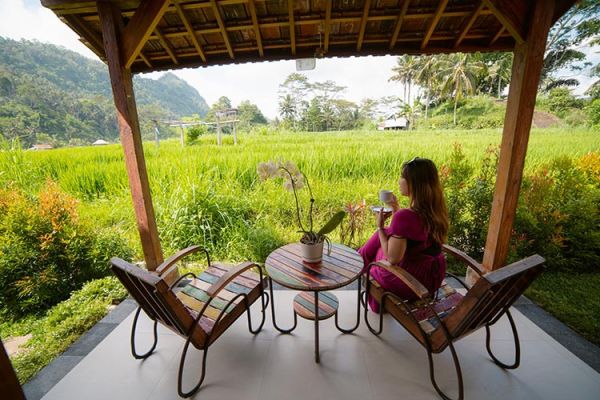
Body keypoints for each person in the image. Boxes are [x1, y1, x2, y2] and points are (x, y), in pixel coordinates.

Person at [358, 157, 449, 313]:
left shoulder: (406, 216)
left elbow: (393, 259)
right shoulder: (436, 208)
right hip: (433, 275)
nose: (399, 181)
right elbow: (414, 233)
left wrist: (379, 227)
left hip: (415, 282)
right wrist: (396, 210)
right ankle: (359, 260)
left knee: (375, 252)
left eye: (402, 177)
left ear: (413, 183)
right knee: (385, 234)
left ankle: (360, 267)